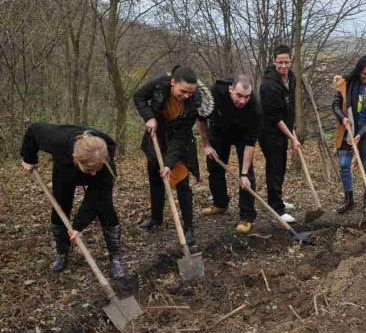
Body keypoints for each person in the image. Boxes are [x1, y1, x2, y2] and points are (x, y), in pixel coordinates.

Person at [20, 123, 126, 278]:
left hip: (97, 171)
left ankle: (115, 258)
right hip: (65, 172)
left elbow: (96, 197)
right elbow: (33, 130)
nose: (94, 174)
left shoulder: (105, 160)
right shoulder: (57, 139)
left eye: (97, 169)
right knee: (60, 208)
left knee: (105, 207)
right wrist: (29, 158)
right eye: (91, 170)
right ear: (76, 158)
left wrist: (78, 226)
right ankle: (62, 254)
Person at [133, 65, 213, 246]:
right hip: (156, 137)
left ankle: (189, 228)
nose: (186, 96)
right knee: (155, 178)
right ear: (172, 83)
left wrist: (169, 163)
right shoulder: (159, 84)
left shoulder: (194, 102)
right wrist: (149, 117)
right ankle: (156, 217)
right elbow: (138, 97)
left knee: (182, 184)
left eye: (190, 93)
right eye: (183, 91)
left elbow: (181, 136)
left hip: (180, 143)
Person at [197, 74, 260, 234]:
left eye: (246, 97)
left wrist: (244, 174)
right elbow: (201, 118)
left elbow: (250, 143)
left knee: (247, 175)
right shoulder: (213, 93)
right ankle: (220, 204)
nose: (242, 101)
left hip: (242, 136)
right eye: (239, 95)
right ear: (230, 88)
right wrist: (206, 145)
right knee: (214, 167)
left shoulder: (254, 106)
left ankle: (247, 216)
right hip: (219, 132)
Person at [332, 55, 366, 214]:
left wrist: (361, 134)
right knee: (343, 163)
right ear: (359, 70)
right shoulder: (346, 84)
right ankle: (348, 200)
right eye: (364, 74)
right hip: (347, 126)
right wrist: (343, 118)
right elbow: (335, 104)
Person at [259, 45, 300, 224]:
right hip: (269, 132)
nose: (283, 66)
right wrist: (293, 138)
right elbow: (275, 117)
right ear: (274, 62)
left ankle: (277, 198)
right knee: (274, 168)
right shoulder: (268, 85)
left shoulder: (291, 77)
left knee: (281, 167)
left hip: (284, 129)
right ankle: (276, 208)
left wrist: (293, 131)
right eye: (279, 62)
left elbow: (289, 109)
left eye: (286, 62)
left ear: (291, 61)